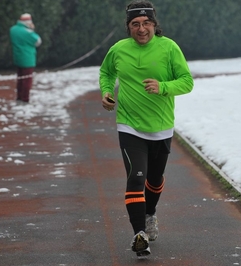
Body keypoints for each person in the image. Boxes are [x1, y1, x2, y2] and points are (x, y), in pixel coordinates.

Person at [99, 0, 193, 257]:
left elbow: (187, 82)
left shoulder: (169, 48)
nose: (142, 29)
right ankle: (139, 234)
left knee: (154, 179)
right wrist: (107, 92)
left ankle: (150, 214)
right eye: (135, 24)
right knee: (136, 178)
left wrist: (163, 87)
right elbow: (106, 73)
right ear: (128, 27)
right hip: (130, 126)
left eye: (147, 23)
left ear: (155, 25)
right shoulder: (119, 49)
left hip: (161, 126)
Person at [9, 13, 42, 103]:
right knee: (27, 80)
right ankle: (25, 99)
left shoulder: (13, 30)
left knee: (20, 79)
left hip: (17, 58)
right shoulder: (28, 32)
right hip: (28, 59)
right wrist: (31, 29)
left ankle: (19, 97)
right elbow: (38, 41)